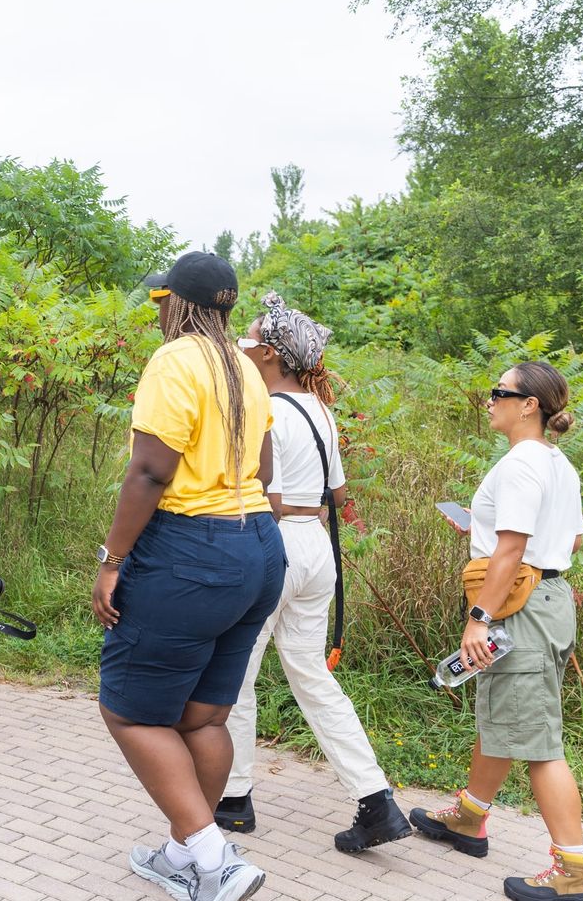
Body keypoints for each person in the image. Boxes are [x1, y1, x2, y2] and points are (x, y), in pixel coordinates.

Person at [91, 251, 286, 901]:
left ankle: (214, 859)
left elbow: (150, 472)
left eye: (159, 302)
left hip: (190, 551)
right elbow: (259, 467)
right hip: (257, 546)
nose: (156, 314)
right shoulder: (246, 367)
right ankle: (183, 855)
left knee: (131, 712)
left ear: (178, 303)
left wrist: (113, 561)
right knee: (202, 720)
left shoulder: (175, 362)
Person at [221, 292, 411, 853]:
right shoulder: (321, 410)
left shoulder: (268, 410)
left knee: (237, 674)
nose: (241, 348)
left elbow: (265, 497)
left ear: (272, 355)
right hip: (316, 551)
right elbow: (339, 493)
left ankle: (234, 800)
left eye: (249, 341)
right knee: (312, 676)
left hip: (275, 544)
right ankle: (375, 798)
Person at [410, 361, 583, 901]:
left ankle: (575, 871)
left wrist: (481, 618)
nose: (490, 398)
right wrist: (482, 528)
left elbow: (514, 549)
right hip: (549, 600)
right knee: (506, 713)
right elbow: (570, 542)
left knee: (540, 743)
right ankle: (469, 817)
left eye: (501, 391)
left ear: (529, 406)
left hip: (518, 609)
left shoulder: (521, 464)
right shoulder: (557, 463)